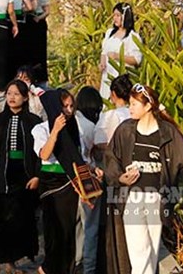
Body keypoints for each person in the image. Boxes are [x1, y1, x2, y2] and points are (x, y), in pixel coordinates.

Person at [104, 83, 183, 274]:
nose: (130, 108)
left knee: (150, 253)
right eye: (130, 103)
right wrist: (120, 178)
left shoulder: (168, 133)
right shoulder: (125, 130)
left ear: (148, 106)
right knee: (140, 255)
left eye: (135, 104)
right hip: (133, 198)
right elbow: (111, 158)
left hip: (157, 199)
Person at [0, 80, 41, 274]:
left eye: (16, 94)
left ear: (25, 97)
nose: (12, 97)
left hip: (24, 176)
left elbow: (40, 153)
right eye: (9, 93)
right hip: (1, 176)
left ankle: (12, 261)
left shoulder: (33, 122)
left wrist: (37, 175)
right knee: (1, 219)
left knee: (19, 219)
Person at [32, 89, 101, 274]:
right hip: (51, 184)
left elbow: (78, 159)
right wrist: (55, 131)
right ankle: (46, 268)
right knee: (54, 233)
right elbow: (44, 154)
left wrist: (93, 170)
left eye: (72, 106)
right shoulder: (41, 129)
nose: (69, 110)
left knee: (69, 233)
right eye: (64, 106)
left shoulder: (75, 130)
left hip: (70, 184)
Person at [92, 74, 132, 274]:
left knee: (115, 224)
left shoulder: (110, 116)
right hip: (137, 175)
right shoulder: (137, 115)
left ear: (114, 94)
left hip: (115, 173)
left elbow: (99, 144)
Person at [72, 87, 102, 274]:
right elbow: (95, 153)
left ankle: (75, 262)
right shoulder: (92, 127)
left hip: (68, 181)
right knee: (90, 227)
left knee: (75, 226)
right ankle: (88, 268)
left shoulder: (70, 121)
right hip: (88, 181)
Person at [99, 3, 143, 99]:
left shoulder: (133, 37)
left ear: (125, 16)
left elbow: (137, 60)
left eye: (118, 15)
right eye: (114, 15)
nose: (115, 18)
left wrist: (118, 56)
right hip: (107, 75)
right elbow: (104, 51)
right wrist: (102, 63)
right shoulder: (109, 33)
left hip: (121, 78)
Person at [33, 0, 51, 83]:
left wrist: (39, 18)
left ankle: (41, 77)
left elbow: (47, 11)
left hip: (39, 22)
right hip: (33, 22)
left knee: (40, 51)